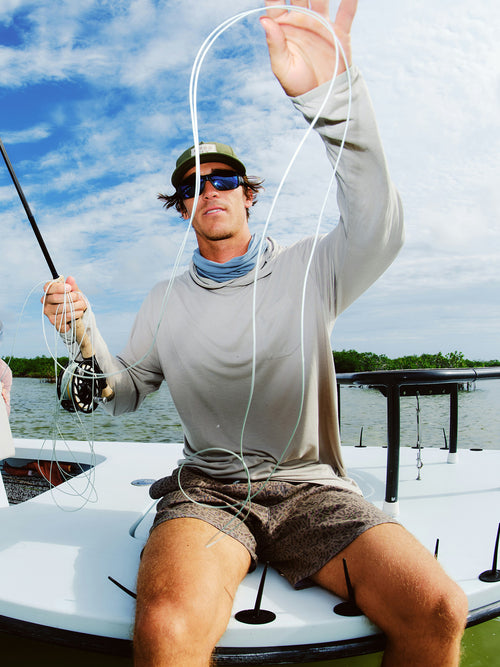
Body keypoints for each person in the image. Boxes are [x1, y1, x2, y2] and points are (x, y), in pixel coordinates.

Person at [42, 1, 468, 665]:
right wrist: (83, 333)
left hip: (315, 490)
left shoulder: (312, 267)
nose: (210, 190)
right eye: (194, 185)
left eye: (224, 179)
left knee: (439, 608)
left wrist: (333, 99)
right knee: (167, 629)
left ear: (248, 194)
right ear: (183, 208)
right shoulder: (162, 299)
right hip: (208, 493)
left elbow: (380, 226)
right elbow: (123, 394)